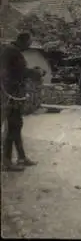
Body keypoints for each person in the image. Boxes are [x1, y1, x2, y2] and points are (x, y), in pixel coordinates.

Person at [0, 32, 38, 171]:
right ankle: (6, 162)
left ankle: (21, 157)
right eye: (29, 42)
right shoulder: (11, 52)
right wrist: (35, 73)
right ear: (23, 41)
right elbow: (19, 72)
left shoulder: (11, 51)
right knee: (12, 127)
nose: (30, 45)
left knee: (16, 125)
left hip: (12, 94)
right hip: (10, 96)